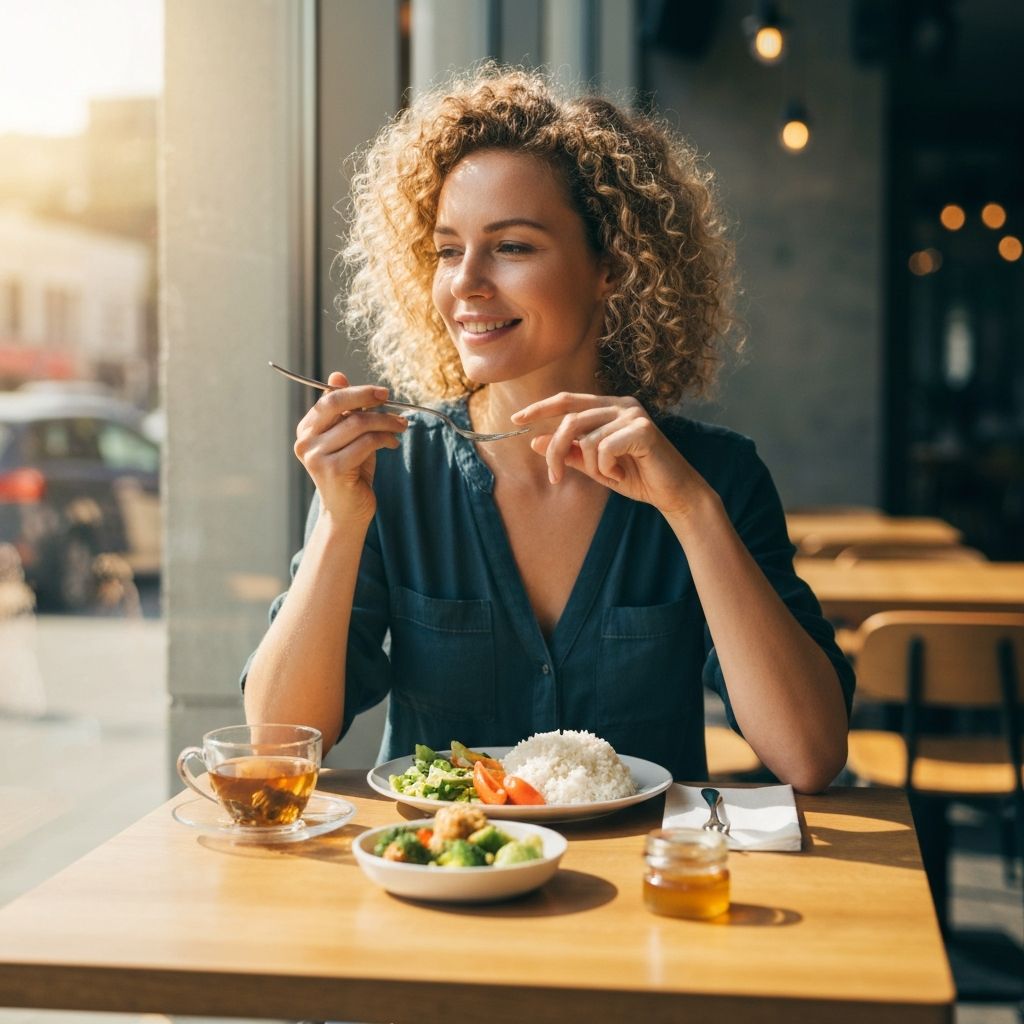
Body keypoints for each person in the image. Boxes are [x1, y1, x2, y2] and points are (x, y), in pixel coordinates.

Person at [242, 65, 854, 793]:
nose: (465, 281)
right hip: (441, 887)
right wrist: (339, 527)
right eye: (446, 249)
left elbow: (809, 755)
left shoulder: (712, 477)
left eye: (513, 247)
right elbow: (279, 742)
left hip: (644, 895)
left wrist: (690, 512)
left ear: (613, 267)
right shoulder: (389, 471)